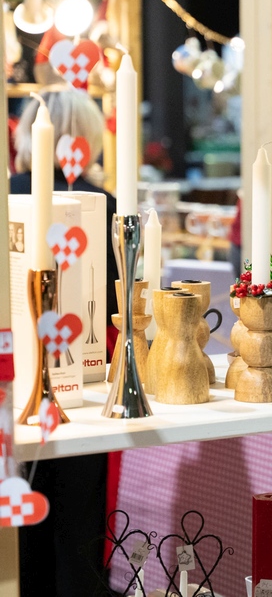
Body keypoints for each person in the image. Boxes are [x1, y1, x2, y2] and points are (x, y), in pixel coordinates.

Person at [9, 86, 115, 597]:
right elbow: (114, 302)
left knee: (20, 532)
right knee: (79, 531)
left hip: (13, 382)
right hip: (84, 387)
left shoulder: (8, 194)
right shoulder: (101, 203)